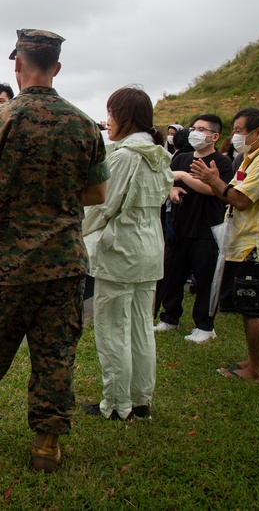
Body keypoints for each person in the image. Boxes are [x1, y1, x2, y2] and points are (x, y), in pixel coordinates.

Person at [0, 29, 108, 474]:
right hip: (65, 262)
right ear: (57, 66)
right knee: (56, 354)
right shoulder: (85, 125)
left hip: (8, 263)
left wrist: (14, 198)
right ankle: (46, 445)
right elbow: (98, 192)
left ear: (18, 64)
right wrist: (56, 201)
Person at [81, 87, 172, 421]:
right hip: (149, 250)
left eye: (110, 114)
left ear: (124, 117)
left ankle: (117, 403)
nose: (108, 121)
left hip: (121, 253)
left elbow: (103, 206)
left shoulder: (124, 156)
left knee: (112, 329)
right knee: (140, 327)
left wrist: (76, 229)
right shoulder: (158, 154)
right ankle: (140, 399)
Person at [190, 107, 259, 382]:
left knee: (252, 308)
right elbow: (232, 191)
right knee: (248, 308)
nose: (234, 136)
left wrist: (211, 179)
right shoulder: (251, 159)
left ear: (258, 133)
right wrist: (214, 182)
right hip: (244, 243)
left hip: (255, 246)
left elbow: (240, 199)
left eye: (238, 130)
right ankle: (252, 360)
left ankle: (255, 370)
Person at [154, 114, 234, 342]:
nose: (195, 132)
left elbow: (213, 189)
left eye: (202, 129)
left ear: (215, 136)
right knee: (172, 275)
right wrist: (173, 190)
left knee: (206, 278)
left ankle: (205, 326)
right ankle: (169, 317)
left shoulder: (221, 162)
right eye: (194, 128)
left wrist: (182, 177)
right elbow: (167, 181)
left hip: (206, 230)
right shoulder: (182, 158)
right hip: (179, 227)